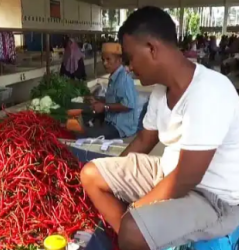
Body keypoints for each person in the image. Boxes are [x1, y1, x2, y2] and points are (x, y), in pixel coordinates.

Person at [80, 6, 239, 250]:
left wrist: (137, 208)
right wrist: (114, 174)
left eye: (130, 58)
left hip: (211, 198)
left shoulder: (210, 91)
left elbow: (187, 177)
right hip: (167, 172)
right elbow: (144, 140)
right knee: (91, 175)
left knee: (133, 227)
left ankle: (133, 238)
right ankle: (133, 241)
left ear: (152, 48)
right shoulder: (159, 91)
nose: (129, 67)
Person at [78, 42, 138, 139]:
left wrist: (104, 107)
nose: (105, 63)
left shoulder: (123, 79)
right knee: (84, 116)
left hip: (121, 127)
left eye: (108, 59)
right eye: (103, 60)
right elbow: (114, 100)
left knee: (85, 135)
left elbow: (128, 105)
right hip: (110, 120)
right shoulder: (114, 77)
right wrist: (98, 101)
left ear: (119, 60)